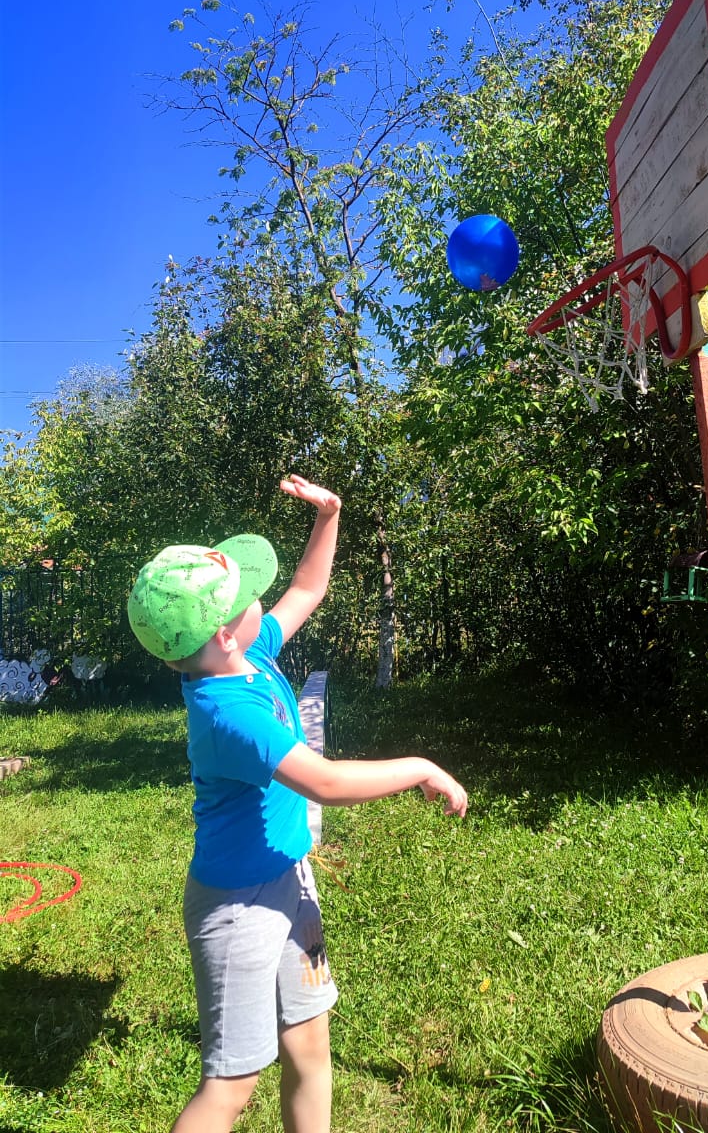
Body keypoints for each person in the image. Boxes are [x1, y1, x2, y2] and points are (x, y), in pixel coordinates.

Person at [126, 474, 468, 1133]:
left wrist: (328, 516)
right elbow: (326, 784)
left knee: (310, 1045)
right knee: (232, 1083)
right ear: (223, 633)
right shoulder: (229, 713)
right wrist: (422, 767)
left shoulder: (246, 655)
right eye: (247, 597)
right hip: (239, 909)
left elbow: (307, 590)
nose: (263, 598)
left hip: (288, 876)